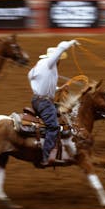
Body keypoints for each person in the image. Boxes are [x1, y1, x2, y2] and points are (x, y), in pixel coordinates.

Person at [28, 39, 79, 167]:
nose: (60, 60)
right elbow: (61, 47)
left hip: (38, 99)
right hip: (44, 102)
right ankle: (46, 156)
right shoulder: (49, 63)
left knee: (65, 111)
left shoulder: (40, 65)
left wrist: (57, 89)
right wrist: (70, 43)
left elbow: (30, 76)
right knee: (53, 126)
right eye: (59, 58)